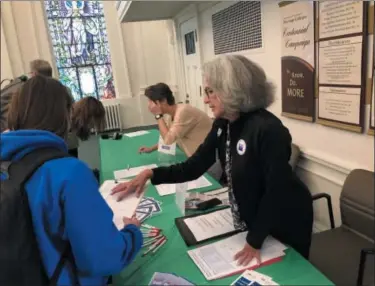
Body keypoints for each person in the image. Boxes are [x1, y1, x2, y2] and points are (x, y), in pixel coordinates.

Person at [112, 55, 313, 265]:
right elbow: (194, 166)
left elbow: (275, 192)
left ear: (231, 90)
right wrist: (151, 173)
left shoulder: (268, 129)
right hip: (256, 219)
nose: (206, 100)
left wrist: (254, 241)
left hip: (286, 219)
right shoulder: (223, 124)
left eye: (210, 92)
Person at [1, 76, 142, 285]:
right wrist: (133, 233)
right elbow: (104, 258)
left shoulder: (6, 164)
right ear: (65, 115)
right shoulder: (69, 172)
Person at [138, 83, 212, 157]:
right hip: (198, 158)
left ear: (163, 100)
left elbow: (168, 140)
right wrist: (151, 149)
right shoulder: (171, 116)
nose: (149, 106)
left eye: (151, 102)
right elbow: (168, 136)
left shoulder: (183, 112)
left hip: (209, 158)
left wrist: (158, 115)